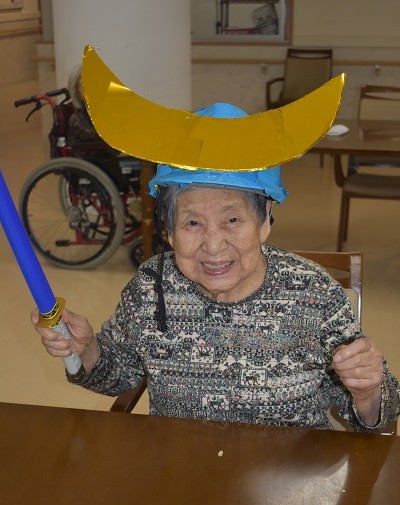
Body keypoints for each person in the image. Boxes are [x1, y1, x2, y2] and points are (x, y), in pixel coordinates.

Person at [31, 68, 400, 432]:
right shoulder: (152, 286)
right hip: (183, 463)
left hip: (291, 468)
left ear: (264, 222)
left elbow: (380, 416)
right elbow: (118, 375)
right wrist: (87, 349)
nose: (213, 245)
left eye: (232, 220)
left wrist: (367, 392)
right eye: (192, 223)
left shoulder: (314, 293)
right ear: (169, 231)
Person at [66, 64, 131, 193]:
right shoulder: (77, 119)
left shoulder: (94, 112)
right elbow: (101, 138)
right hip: (99, 159)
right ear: (76, 92)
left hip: (106, 153)